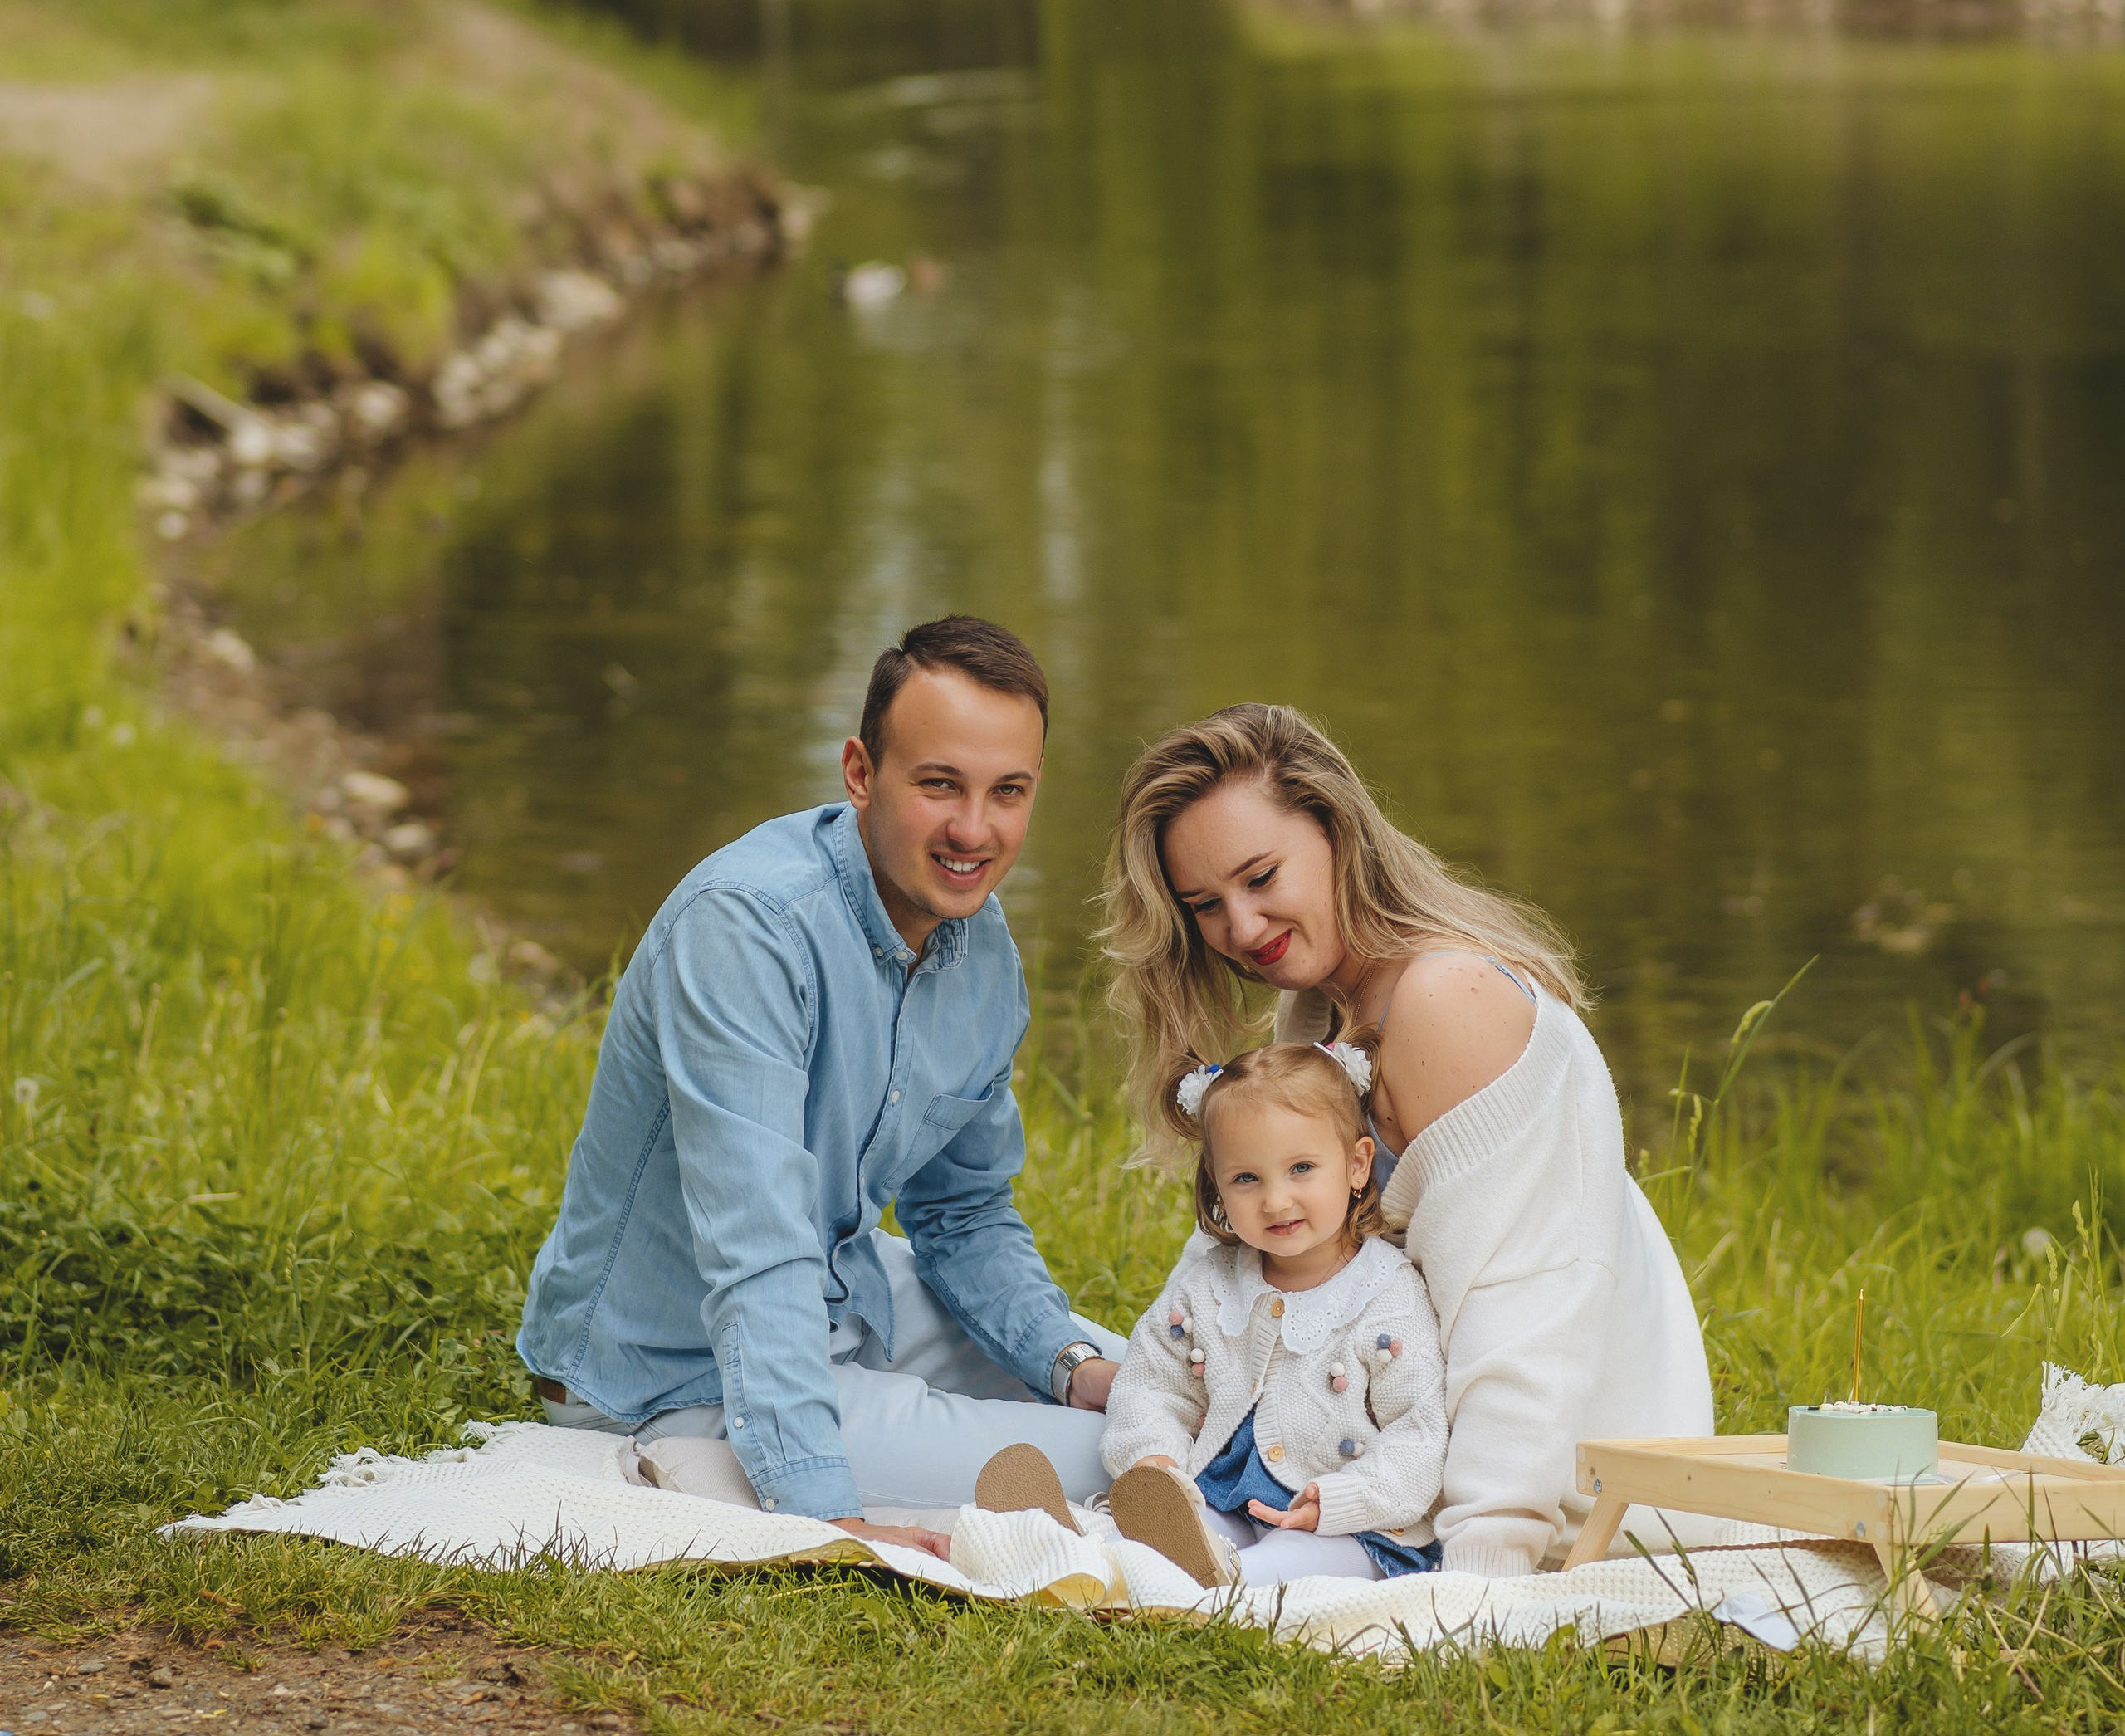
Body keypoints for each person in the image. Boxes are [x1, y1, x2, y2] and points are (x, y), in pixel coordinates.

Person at [517, 615, 1125, 1558]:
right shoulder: (748, 928)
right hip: (676, 1374)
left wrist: (1068, 1362)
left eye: (1007, 791)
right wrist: (823, 1512)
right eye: (938, 785)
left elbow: (963, 1216)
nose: (975, 830)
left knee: (1147, 1387)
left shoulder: (981, 946)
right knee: (1109, 1453)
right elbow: (758, 1248)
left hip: (845, 1294)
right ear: (858, 771)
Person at [1102, 703, 1715, 1579]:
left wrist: (1481, 1580)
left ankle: (1139, 1557)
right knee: (1122, 1436)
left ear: (1336, 829)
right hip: (1376, 1442)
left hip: (1562, 1486)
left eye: (1261, 875)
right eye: (1205, 905)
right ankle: (1109, 1535)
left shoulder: (1448, 999)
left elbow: (1526, 1323)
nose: (1240, 928)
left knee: (1242, 1569)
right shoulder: (1319, 1006)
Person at [1099, 1034, 1447, 1590]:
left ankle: (1216, 1586)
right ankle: (1102, 1555)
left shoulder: (1388, 1295)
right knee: (1165, 1535)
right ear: (1216, 1185)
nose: (1276, 1200)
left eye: (1302, 1167)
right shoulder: (1207, 1285)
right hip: (1222, 1497)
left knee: (1284, 1565)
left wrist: (1338, 1501)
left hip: (1344, 1525)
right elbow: (1151, 1384)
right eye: (1246, 1178)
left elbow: (1420, 1432)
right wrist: (1154, 1458)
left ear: (1358, 1165)